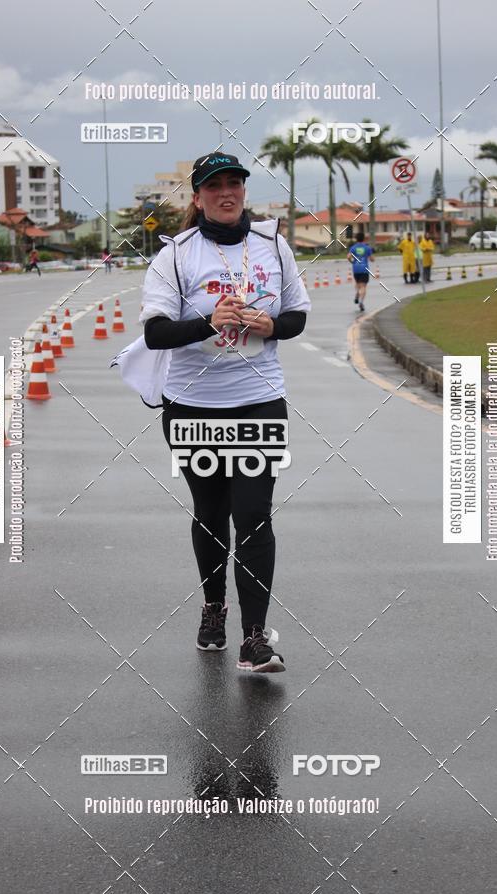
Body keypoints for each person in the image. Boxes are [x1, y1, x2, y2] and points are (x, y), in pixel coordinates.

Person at [139, 152, 311, 674]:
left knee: (253, 518)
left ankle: (255, 639)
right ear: (197, 197)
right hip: (193, 405)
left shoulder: (273, 245)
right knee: (212, 515)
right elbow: (155, 333)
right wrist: (207, 322)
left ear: (243, 191)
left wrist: (270, 325)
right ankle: (214, 608)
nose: (226, 192)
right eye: (214, 186)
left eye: (235, 183)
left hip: (259, 400)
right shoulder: (175, 255)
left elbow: (298, 315)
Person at [347, 231, 374, 312]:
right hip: (364, 269)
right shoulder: (367, 248)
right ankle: (361, 302)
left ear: (356, 239)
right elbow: (372, 259)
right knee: (363, 286)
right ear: (364, 239)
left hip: (356, 269)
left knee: (358, 284)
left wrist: (352, 262)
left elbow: (348, 257)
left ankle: (357, 295)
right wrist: (372, 258)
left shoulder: (353, 247)